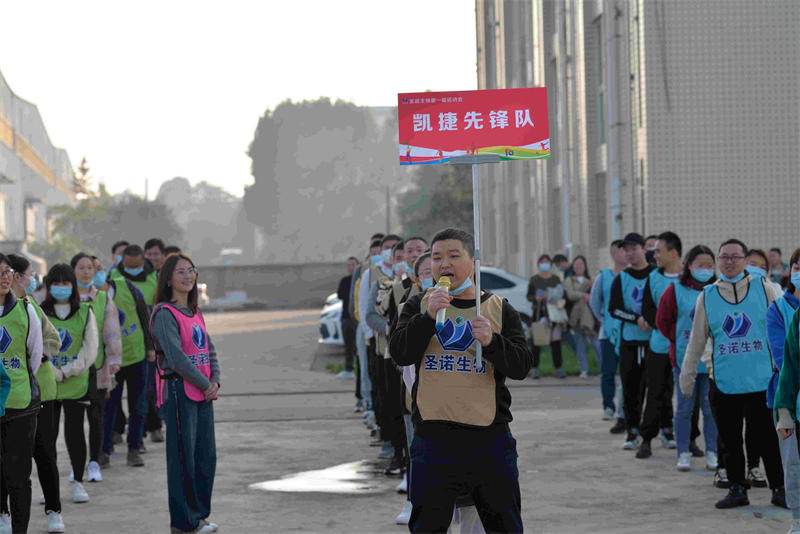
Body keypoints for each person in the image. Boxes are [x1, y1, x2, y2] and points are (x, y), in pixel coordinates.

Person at [389, 227, 532, 533]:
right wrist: (428, 318)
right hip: (433, 440)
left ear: (473, 262)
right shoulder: (418, 306)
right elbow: (400, 353)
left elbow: (521, 366)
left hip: (489, 441)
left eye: (454, 256)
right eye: (437, 257)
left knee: (504, 525)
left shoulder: (498, 309)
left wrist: (492, 342)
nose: (444, 264)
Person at [680, 238, 785, 509]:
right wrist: (687, 375)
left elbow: (781, 329)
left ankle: (779, 488)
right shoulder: (708, 296)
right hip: (725, 381)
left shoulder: (764, 289)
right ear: (718, 261)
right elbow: (696, 340)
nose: (729, 261)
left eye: (735, 257)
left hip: (761, 381)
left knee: (767, 439)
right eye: (724, 257)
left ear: (744, 260)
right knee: (730, 440)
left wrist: (786, 370)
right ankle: (737, 488)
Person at [150, 254, 219, 534]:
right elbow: (177, 358)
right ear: (168, 279)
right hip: (180, 392)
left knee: (205, 457)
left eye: (191, 270)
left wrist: (214, 381)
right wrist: (204, 384)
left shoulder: (194, 312)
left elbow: (209, 350)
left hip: (203, 393)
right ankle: (183, 522)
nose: (187, 276)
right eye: (180, 272)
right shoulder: (164, 314)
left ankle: (199, 515)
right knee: (183, 461)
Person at [6, 254, 63, 533]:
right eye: (30, 275)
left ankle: (52, 510)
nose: (31, 281)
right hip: (10, 398)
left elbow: (48, 342)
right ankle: (4, 513)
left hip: (34, 395)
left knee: (41, 455)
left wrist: (31, 364)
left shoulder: (29, 308)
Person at [656, 245, 719, 472]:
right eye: (700, 265)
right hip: (684, 360)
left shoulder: (717, 290)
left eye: (709, 265)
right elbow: (663, 321)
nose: (705, 269)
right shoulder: (674, 290)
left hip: (711, 362)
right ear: (689, 266)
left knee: (710, 410)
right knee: (684, 409)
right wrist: (679, 340)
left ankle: (712, 451)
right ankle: (683, 452)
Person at [0, 254, 44, 534]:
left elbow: (35, 355)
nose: (5, 277)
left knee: (18, 476)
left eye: (7, 271)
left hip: (19, 405)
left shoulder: (26, 310)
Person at [71, 253, 122, 484]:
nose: (86, 272)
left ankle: (94, 461)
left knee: (96, 417)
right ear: (73, 271)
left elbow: (112, 332)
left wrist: (114, 360)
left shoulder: (103, 299)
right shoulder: (65, 300)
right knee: (73, 421)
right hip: (72, 371)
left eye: (90, 267)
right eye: (81, 267)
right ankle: (76, 464)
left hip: (98, 369)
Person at [102, 251, 155, 468]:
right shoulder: (90, 297)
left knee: (138, 406)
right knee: (108, 408)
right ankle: (104, 450)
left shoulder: (127, 287)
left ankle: (134, 448)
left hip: (136, 356)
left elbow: (144, 316)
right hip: (109, 362)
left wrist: (150, 347)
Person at [609, 232, 656, 450]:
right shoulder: (621, 278)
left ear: (644, 249)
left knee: (656, 389)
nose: (630, 253)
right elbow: (614, 309)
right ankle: (632, 430)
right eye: (625, 250)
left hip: (654, 342)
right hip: (630, 341)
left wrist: (651, 320)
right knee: (630, 389)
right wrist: (636, 319)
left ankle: (659, 430)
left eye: (633, 248)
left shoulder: (656, 275)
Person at [112, 244, 163, 446]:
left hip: (147, 340)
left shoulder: (154, 277)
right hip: (116, 344)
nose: (132, 269)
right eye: (129, 266)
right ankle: (117, 429)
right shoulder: (113, 277)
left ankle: (151, 428)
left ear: (143, 261)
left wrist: (152, 345)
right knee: (113, 396)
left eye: (136, 265)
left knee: (146, 393)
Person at [637, 231, 682, 459]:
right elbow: (647, 308)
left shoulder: (689, 278)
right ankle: (646, 439)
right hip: (659, 346)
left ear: (673, 253)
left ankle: (687, 439)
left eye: (658, 251)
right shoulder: (653, 277)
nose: (654, 255)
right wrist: (666, 326)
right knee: (655, 391)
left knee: (687, 396)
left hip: (685, 347)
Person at [768, 248, 800, 531]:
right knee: (794, 464)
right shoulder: (783, 311)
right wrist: (785, 411)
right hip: (793, 402)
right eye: (798, 268)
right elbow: (786, 364)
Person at [363, 234, 402, 462]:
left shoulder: (421, 282)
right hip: (385, 348)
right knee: (389, 398)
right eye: (388, 249)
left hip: (413, 351)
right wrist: (387, 331)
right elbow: (367, 313)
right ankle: (392, 443)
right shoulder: (378, 281)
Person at [590, 240, 628, 432]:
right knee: (608, 372)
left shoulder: (632, 276)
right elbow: (594, 302)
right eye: (623, 251)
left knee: (628, 373)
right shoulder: (603, 277)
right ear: (613, 253)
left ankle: (626, 408)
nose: (626, 254)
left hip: (628, 332)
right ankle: (608, 406)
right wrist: (604, 319)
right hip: (607, 333)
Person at [527, 255, 566, 378]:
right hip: (538, 313)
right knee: (536, 341)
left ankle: (558, 368)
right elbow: (529, 296)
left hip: (553, 313)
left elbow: (561, 294)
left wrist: (550, 296)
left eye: (547, 262)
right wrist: (536, 298)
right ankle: (535, 368)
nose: (545, 264)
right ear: (539, 264)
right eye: (542, 262)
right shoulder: (534, 279)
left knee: (556, 341)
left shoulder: (555, 279)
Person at [563, 256, 600, 378]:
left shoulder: (591, 281)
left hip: (590, 317)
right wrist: (585, 293)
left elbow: (597, 296)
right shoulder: (569, 280)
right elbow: (571, 295)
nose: (579, 266)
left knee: (596, 343)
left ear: (585, 266)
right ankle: (584, 369)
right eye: (576, 264)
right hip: (576, 318)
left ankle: (603, 368)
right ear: (573, 267)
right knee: (580, 345)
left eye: (581, 264)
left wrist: (591, 289)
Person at [336, 257, 359, 380]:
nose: (351, 267)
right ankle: (348, 368)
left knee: (359, 346)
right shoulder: (344, 281)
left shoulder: (361, 280)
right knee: (348, 345)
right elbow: (340, 295)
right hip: (346, 317)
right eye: (349, 265)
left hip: (358, 318)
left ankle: (359, 369)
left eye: (353, 264)